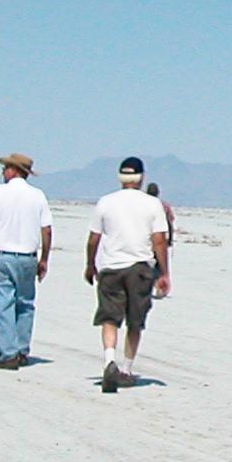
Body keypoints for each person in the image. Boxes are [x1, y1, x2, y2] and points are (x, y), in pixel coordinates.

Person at [85, 157, 171, 394]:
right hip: (139, 268)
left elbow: (93, 239)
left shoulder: (106, 202)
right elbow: (159, 241)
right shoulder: (152, 204)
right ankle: (126, 369)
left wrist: (90, 265)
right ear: (141, 177)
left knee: (109, 318)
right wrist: (164, 272)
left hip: (111, 268)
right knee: (135, 320)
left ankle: (109, 361)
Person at [0, 154, 51, 369]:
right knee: (25, 304)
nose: (3, 172)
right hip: (27, 257)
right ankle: (22, 350)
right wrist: (44, 259)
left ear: (14, 170)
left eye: (5, 168)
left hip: (2, 256)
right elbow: (46, 230)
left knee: (2, 304)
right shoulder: (37, 195)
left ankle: (8, 354)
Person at [146, 181, 177, 294]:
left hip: (145, 240)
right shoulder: (164, 206)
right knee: (160, 263)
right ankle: (159, 286)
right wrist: (170, 239)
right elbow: (170, 222)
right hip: (160, 239)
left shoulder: (140, 205)